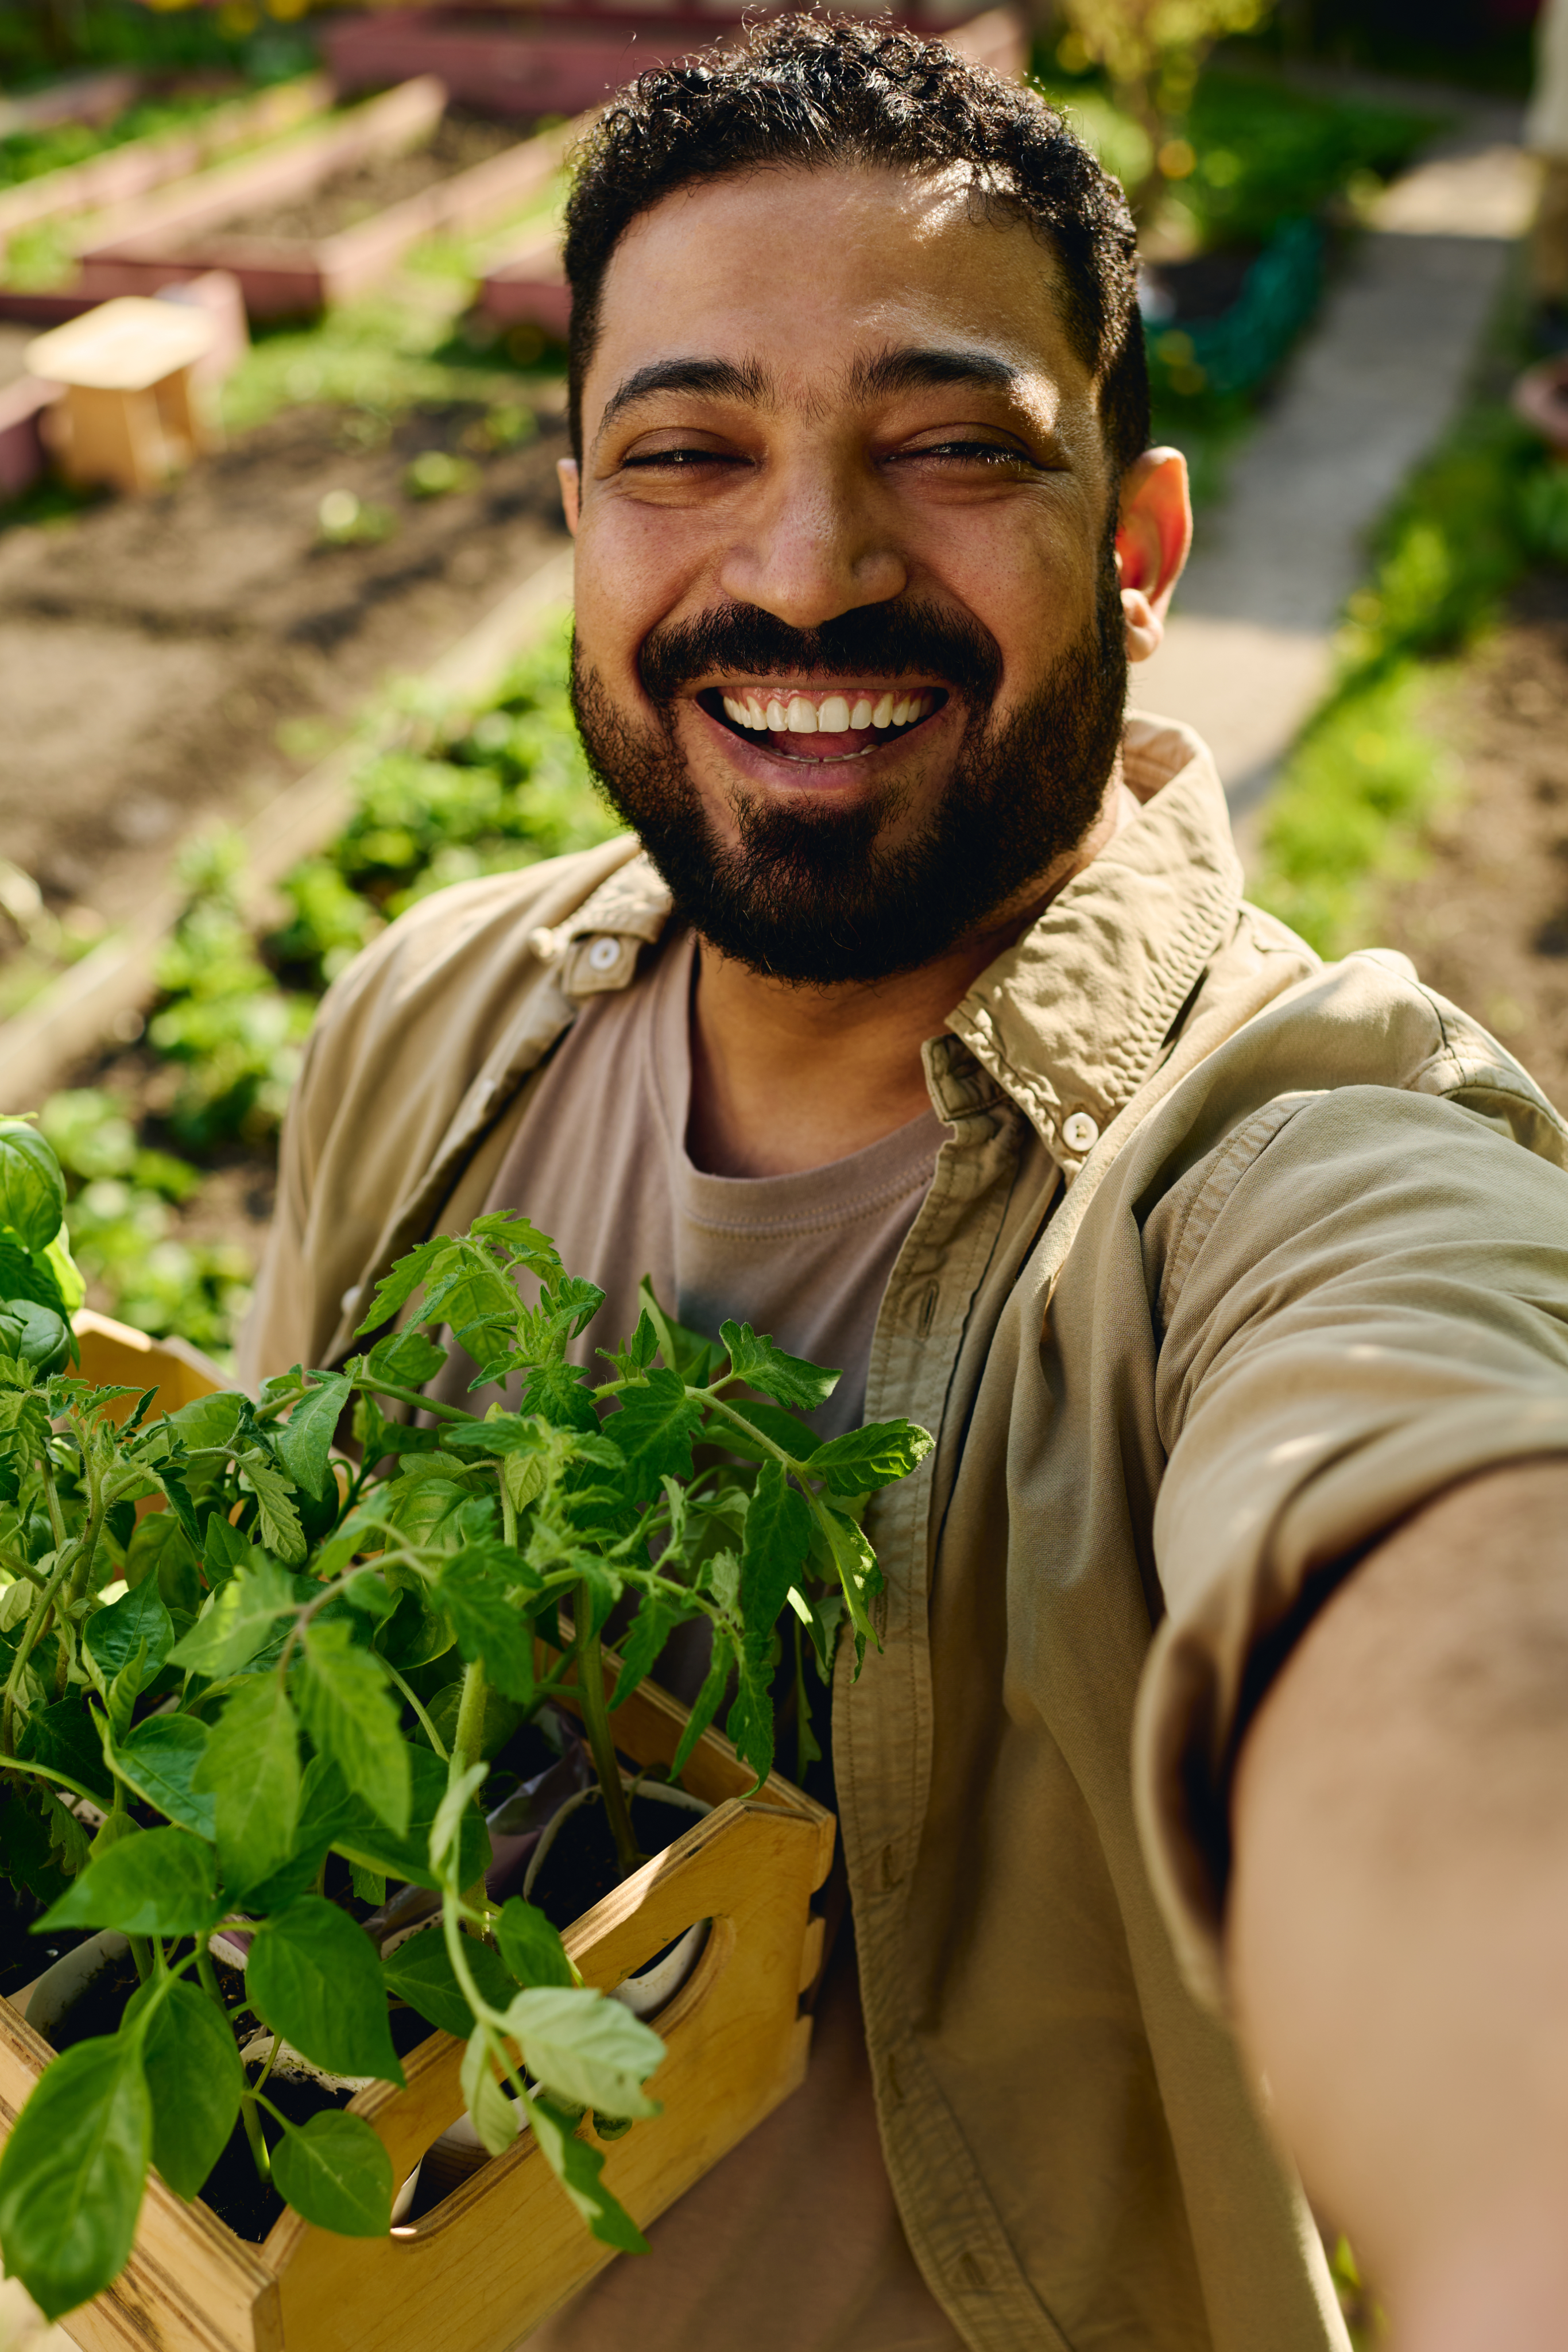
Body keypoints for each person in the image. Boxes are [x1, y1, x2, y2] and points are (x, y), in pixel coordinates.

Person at [243, 21, 1568, 2350]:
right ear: (575, 516)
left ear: (1138, 549)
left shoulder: (1271, 1157)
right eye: (685, 453)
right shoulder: (428, 1015)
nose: (805, 567)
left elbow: (1412, 1513)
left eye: (948, 449)